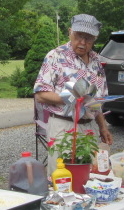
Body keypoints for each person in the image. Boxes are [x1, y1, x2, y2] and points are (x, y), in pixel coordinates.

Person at [34, 14, 113, 175]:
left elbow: (97, 100)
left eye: (88, 38)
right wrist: (74, 99)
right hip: (63, 126)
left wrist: (103, 127)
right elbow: (40, 94)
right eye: (78, 36)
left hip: (89, 128)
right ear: (70, 32)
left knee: (89, 175)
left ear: (95, 38)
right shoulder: (56, 56)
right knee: (61, 177)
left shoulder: (96, 61)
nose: (83, 42)